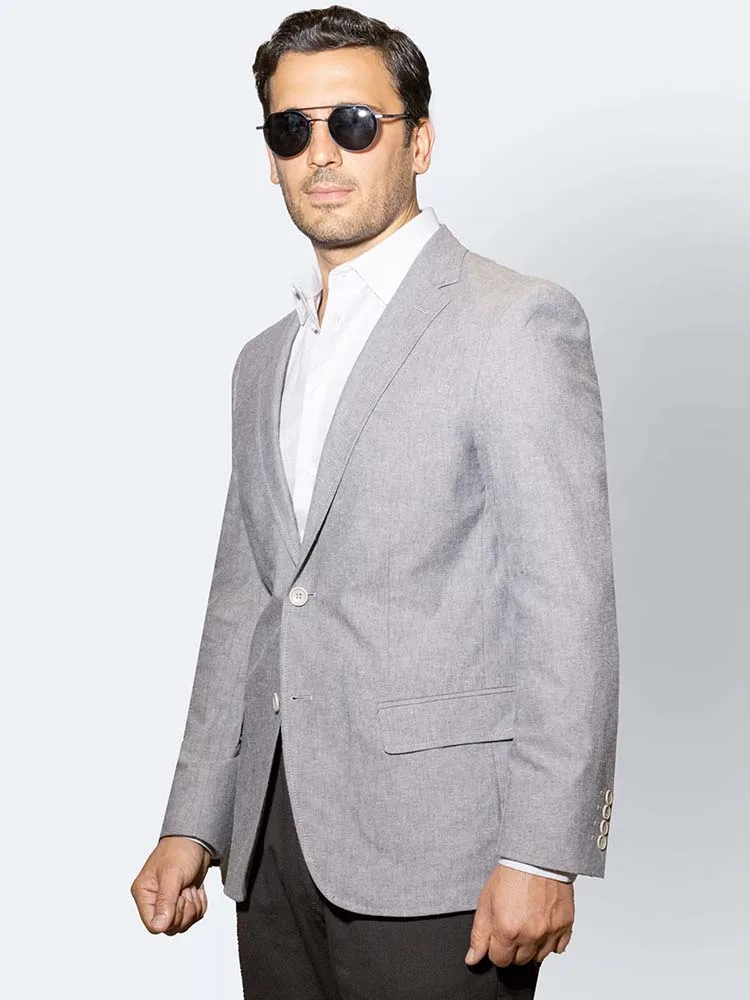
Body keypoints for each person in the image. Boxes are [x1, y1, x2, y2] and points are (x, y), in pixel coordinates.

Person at [131, 6, 620, 998]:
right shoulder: (263, 362)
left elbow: (566, 602)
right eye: (292, 129)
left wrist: (544, 849)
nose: (322, 153)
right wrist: (194, 820)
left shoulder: (514, 322)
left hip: (446, 852)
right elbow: (245, 602)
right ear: (271, 157)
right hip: (273, 848)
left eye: (354, 123)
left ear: (418, 141)